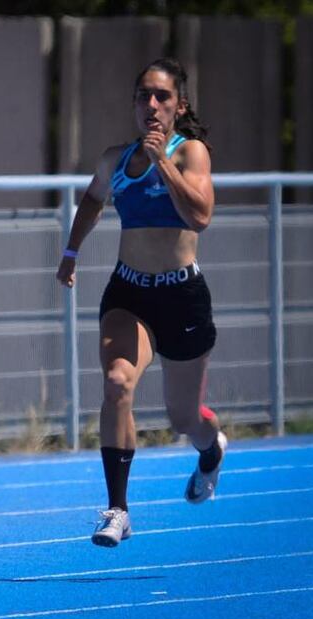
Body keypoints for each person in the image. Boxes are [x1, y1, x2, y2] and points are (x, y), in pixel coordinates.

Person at [56, 58, 225, 548]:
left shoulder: (190, 152)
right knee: (117, 382)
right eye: (143, 96)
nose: (151, 105)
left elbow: (201, 216)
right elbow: (93, 199)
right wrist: (71, 251)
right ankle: (118, 509)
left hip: (182, 298)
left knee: (184, 419)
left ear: (179, 106)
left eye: (162, 96)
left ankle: (211, 450)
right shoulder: (115, 159)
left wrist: (163, 164)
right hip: (129, 294)